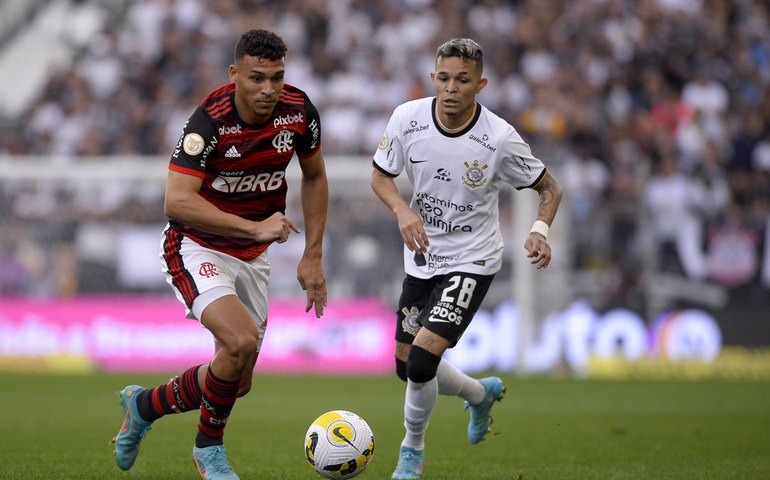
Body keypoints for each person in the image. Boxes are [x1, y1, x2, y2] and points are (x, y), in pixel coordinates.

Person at [111, 29, 328, 480]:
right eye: (257, 78)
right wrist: (254, 227)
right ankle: (209, 451)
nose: (268, 89)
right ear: (234, 75)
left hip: (252, 256)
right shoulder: (209, 121)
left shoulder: (299, 111)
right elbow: (177, 201)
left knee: (236, 380)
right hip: (196, 245)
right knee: (240, 341)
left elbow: (314, 177)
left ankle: (144, 405)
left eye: (277, 78)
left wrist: (312, 255)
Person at [371, 38, 562, 480]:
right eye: (443, 78)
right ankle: (479, 395)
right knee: (405, 365)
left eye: (462, 80)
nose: (451, 88)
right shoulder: (407, 118)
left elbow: (550, 187)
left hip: (473, 259)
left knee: (422, 362)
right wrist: (402, 210)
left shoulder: (498, 138)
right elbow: (380, 176)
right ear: (432, 78)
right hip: (422, 256)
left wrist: (539, 230)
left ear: (481, 84)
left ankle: (411, 452)